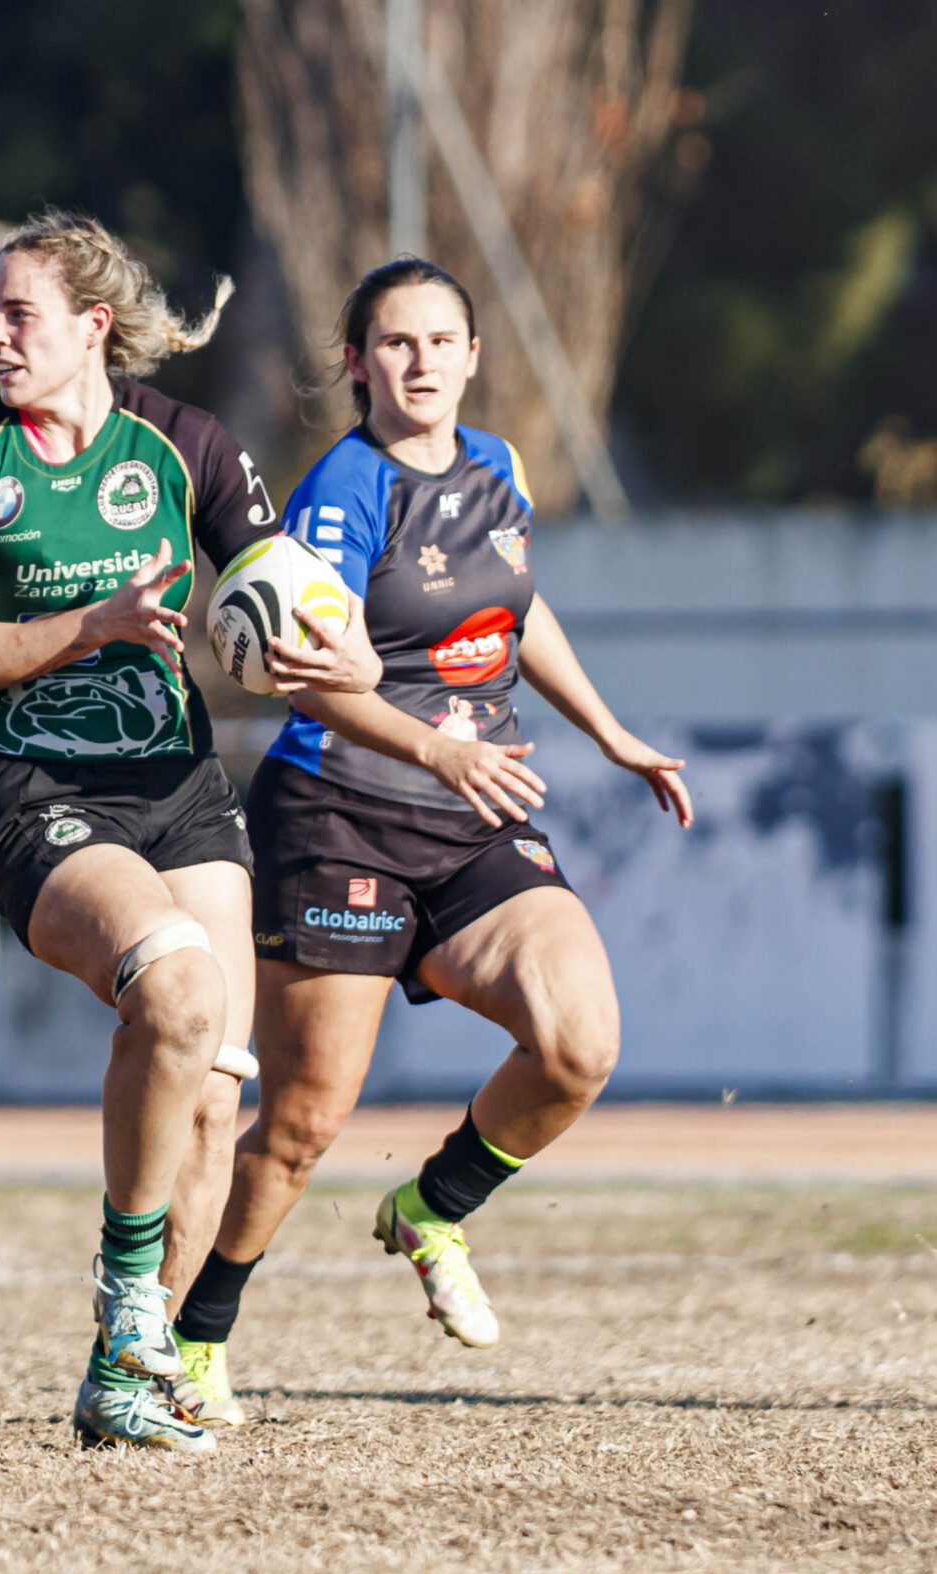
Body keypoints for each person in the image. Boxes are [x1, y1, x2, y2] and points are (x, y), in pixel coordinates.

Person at [0, 210, 379, 1453]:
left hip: (177, 787)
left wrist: (343, 649)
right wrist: (95, 625)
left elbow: (289, 597)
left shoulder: (187, 447)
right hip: (33, 788)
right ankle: (123, 1311)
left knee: (215, 1091)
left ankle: (142, 1366)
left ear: (92, 328)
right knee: (171, 986)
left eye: (17, 314)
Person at [165, 258, 693, 1426]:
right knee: (301, 1126)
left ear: (469, 355)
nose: (420, 363)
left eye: (440, 341)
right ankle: (193, 1341)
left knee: (577, 1044)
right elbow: (306, 682)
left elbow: (514, 606)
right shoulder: (343, 492)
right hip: (338, 815)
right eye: (394, 344)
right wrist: (435, 749)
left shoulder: (496, 465)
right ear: (356, 364)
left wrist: (607, 731)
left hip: (471, 818)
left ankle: (434, 1206)